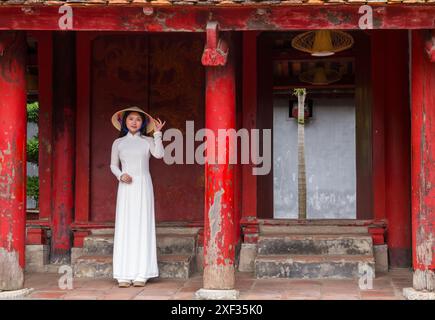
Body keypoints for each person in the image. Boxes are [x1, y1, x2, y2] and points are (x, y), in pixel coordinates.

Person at [110, 106, 166, 288]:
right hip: (126, 187)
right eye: (131, 119)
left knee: (143, 224)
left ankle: (142, 273)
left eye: (138, 119)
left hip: (143, 185)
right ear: (124, 122)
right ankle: (123, 274)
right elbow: (113, 165)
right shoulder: (118, 143)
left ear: (143, 124)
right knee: (126, 225)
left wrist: (158, 134)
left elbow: (159, 154)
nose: (134, 122)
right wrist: (120, 175)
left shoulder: (147, 141)